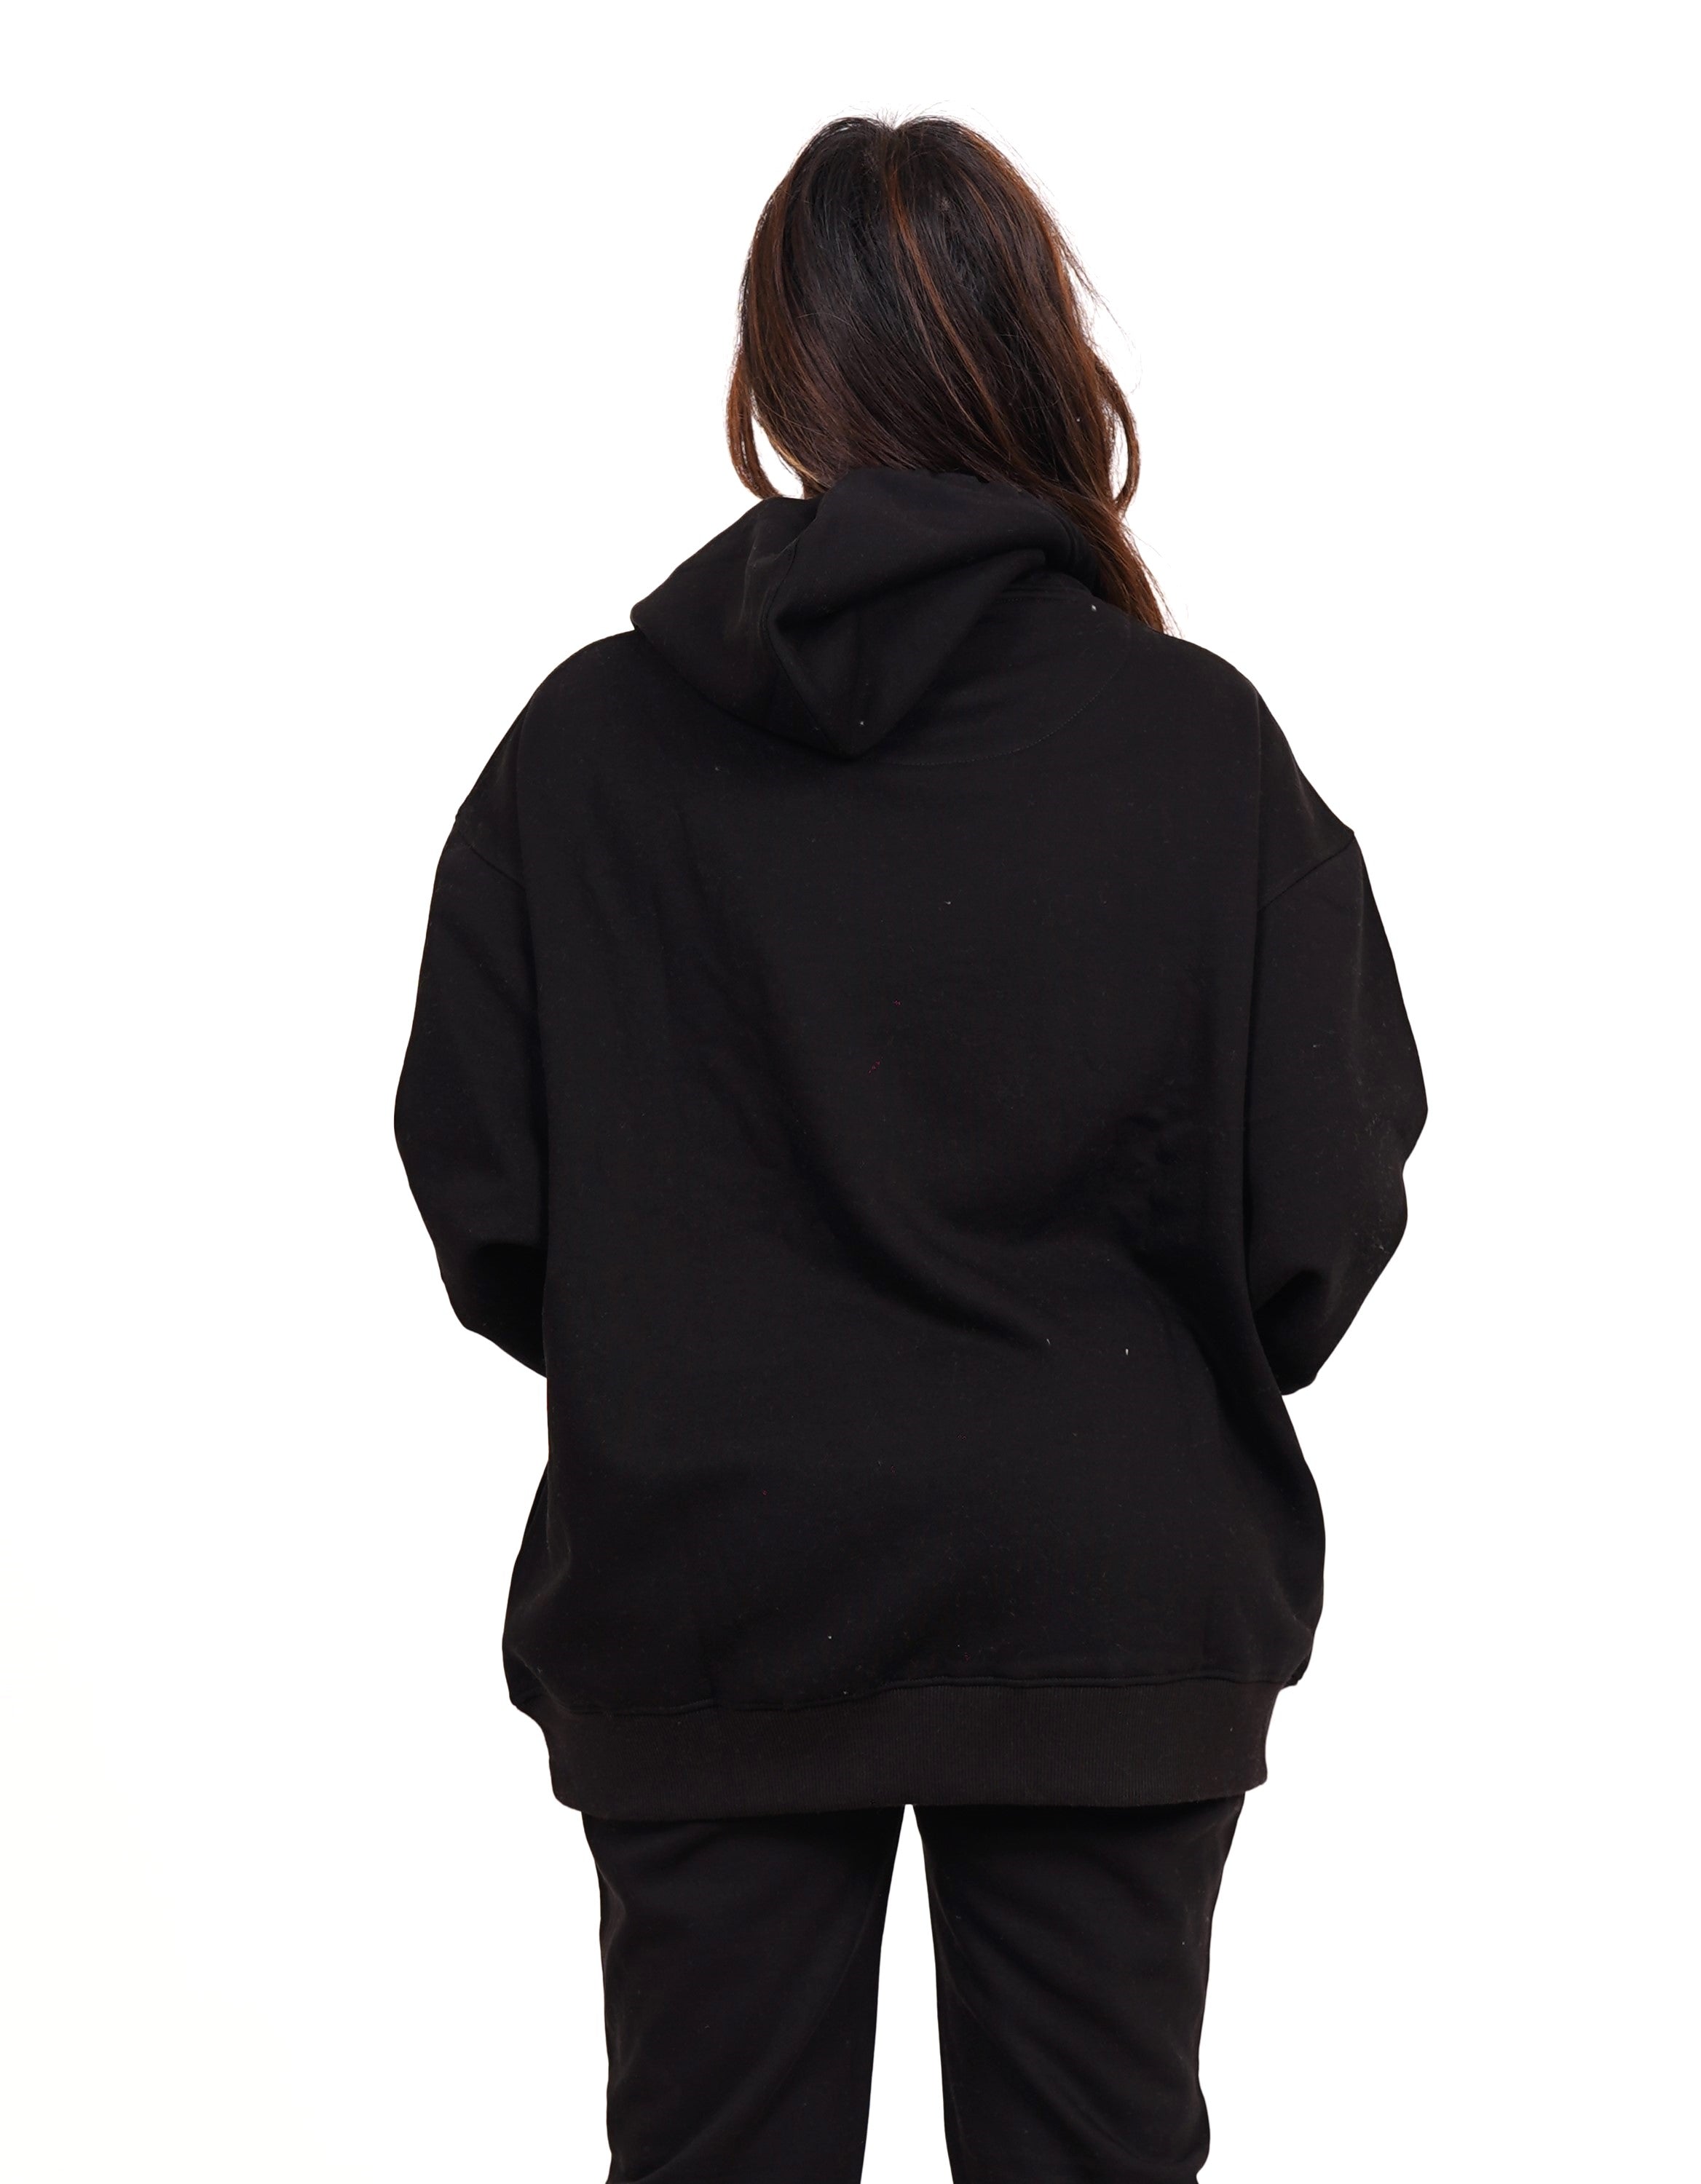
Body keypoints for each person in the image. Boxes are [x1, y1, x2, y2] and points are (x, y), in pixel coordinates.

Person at [395, 114, 1425, 2184]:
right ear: (1040, 351)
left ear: (780, 375)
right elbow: (1326, 1202)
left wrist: (690, 1351)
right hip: (1101, 1585)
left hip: (706, 1584)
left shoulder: (586, 751)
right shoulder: (1196, 747)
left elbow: (485, 1191)